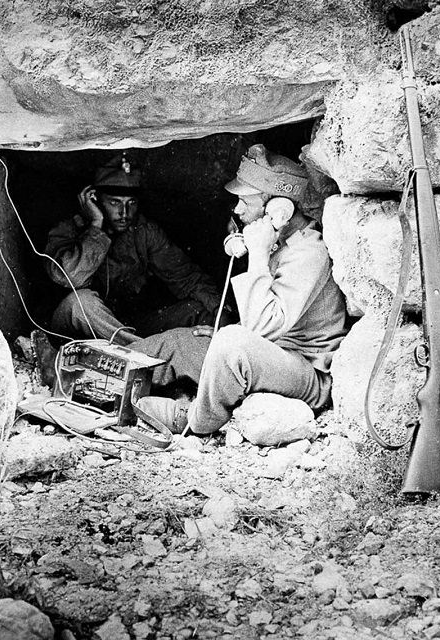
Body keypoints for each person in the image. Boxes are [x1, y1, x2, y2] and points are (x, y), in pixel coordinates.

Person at [132, 144, 349, 435]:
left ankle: (196, 420)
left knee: (231, 341)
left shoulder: (310, 252)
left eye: (245, 200)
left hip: (306, 371)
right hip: (268, 356)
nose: (237, 208)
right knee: (177, 343)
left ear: (278, 207)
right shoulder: (278, 242)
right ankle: (100, 375)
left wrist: (257, 255)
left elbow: (263, 328)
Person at [44, 154, 221, 345]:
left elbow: (186, 277)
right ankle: (143, 356)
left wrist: (221, 310)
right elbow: (68, 277)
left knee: (197, 310)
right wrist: (96, 226)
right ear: (95, 200)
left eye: (131, 203)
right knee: (81, 302)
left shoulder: (144, 232)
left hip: (126, 327)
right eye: (114, 202)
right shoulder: (69, 229)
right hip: (76, 331)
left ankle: (137, 353)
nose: (124, 213)